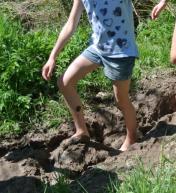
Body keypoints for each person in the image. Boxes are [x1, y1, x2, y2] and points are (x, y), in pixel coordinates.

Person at [42, 0, 138, 151]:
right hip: (97, 48)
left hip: (121, 52)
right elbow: (70, 24)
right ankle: (81, 131)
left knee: (122, 101)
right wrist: (52, 56)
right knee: (65, 82)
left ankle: (132, 138)